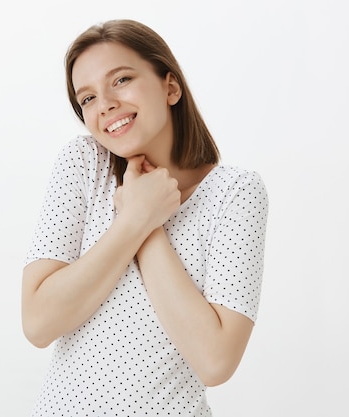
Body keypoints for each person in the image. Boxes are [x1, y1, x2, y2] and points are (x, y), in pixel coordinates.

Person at [21, 19, 268, 416]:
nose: (105, 105)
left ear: (170, 87)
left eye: (120, 80)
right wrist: (133, 220)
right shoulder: (84, 164)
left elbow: (216, 361)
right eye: (87, 98)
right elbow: (37, 322)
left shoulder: (235, 192)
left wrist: (147, 223)